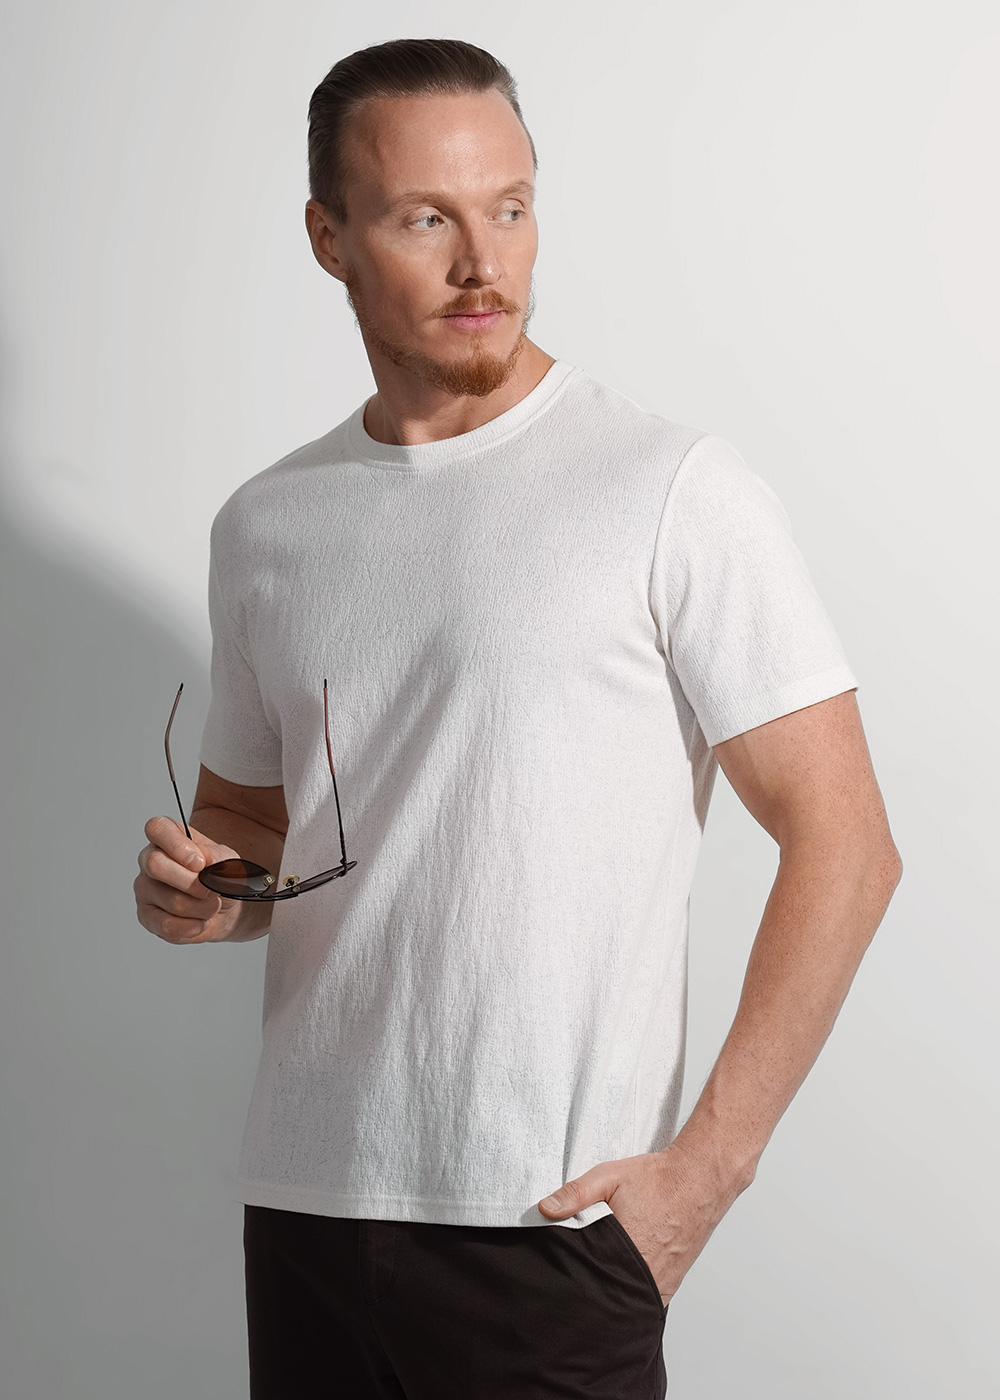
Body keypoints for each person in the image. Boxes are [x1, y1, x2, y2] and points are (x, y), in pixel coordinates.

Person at [133, 37, 902, 1400]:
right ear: (329, 238)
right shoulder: (268, 525)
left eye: (511, 206)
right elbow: (249, 822)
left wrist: (703, 1176)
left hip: (550, 1226)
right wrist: (203, 890)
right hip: (307, 1205)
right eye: (425, 219)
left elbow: (846, 845)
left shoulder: (668, 487)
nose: (484, 262)